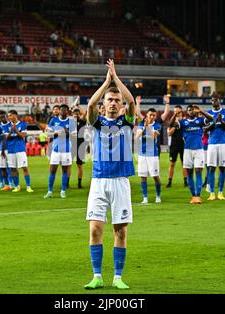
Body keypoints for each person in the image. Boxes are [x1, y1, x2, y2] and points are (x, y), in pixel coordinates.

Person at [84, 59, 135, 290]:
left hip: (120, 181)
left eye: (116, 100)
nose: (113, 103)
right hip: (99, 180)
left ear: (121, 105)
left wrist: (116, 79)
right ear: (104, 105)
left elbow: (132, 100)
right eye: (109, 100)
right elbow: (90, 105)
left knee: (120, 231)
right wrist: (106, 83)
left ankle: (117, 277)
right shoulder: (97, 123)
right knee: (95, 229)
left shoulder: (127, 121)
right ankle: (97, 276)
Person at [172, 105, 213, 204]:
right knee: (189, 172)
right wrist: (174, 114)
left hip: (199, 150)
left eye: (192, 109)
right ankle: (193, 195)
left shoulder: (199, 121)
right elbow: (171, 124)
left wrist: (201, 111)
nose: (191, 111)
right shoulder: (183, 122)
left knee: (198, 171)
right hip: (187, 150)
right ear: (186, 112)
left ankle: (198, 195)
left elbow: (211, 119)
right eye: (189, 110)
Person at [44, 104, 77, 199]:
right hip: (55, 150)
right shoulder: (53, 120)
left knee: (65, 171)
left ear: (67, 111)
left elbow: (74, 136)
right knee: (52, 170)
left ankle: (63, 191)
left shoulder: (71, 122)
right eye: (61, 110)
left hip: (66, 150)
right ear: (59, 111)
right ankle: (49, 191)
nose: (63, 111)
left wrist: (67, 132)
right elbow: (48, 134)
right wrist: (56, 133)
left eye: (65, 110)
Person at [206, 96, 225, 201]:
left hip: (223, 143)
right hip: (212, 143)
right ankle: (212, 193)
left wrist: (221, 121)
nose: (214, 102)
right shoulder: (208, 113)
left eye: (215, 100)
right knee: (211, 168)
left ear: (219, 101)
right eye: (212, 100)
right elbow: (206, 129)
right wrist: (215, 121)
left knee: (222, 168)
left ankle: (220, 192)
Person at [136, 108, 162, 204]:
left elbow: (154, 136)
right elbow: (137, 136)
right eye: (150, 114)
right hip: (142, 154)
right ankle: (145, 198)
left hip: (153, 155)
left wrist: (148, 127)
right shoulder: (141, 124)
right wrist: (144, 128)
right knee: (143, 176)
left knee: (155, 176)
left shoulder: (157, 125)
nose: (152, 117)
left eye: (154, 115)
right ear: (146, 115)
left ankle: (158, 196)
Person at [6, 110, 33, 193]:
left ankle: (28, 186)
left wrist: (16, 130)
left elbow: (23, 136)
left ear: (15, 115)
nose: (9, 117)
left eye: (10, 115)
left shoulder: (23, 124)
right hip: (10, 150)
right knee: (13, 168)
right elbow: (6, 137)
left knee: (24, 167)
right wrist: (11, 131)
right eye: (8, 116)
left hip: (20, 149)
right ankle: (17, 186)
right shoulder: (7, 125)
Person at [167, 105, 188, 188]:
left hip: (183, 144)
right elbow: (169, 133)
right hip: (174, 145)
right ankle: (169, 181)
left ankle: (185, 181)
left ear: (181, 111)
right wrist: (175, 126)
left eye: (178, 112)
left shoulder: (185, 121)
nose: (177, 113)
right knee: (172, 164)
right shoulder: (172, 122)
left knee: (184, 164)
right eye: (175, 112)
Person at [72, 97, 88, 189]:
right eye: (75, 113)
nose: (76, 115)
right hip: (71, 144)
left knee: (79, 165)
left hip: (80, 144)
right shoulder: (69, 122)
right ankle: (66, 183)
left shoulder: (82, 121)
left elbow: (85, 112)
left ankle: (79, 183)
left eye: (78, 114)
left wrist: (77, 105)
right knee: (68, 164)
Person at [0, 110, 12, 191]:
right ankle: (4, 183)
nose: (3, 118)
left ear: (6, 116)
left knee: (10, 167)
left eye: (4, 116)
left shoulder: (11, 125)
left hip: (10, 148)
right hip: (0, 149)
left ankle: (12, 182)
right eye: (1, 117)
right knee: (2, 167)